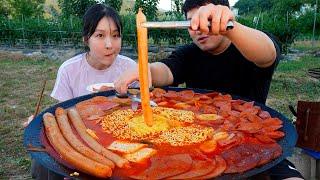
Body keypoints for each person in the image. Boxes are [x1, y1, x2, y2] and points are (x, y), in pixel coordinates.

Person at [114, 0, 304, 179]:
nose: (198, 29)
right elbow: (166, 70)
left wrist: (231, 27)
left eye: (206, 21)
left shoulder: (248, 45)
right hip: (197, 152)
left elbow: (267, 53)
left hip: (254, 148)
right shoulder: (190, 54)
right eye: (190, 23)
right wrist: (145, 70)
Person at [28, 4, 136, 179]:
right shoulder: (69, 70)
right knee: (45, 162)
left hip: (123, 135)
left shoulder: (130, 68)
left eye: (116, 35)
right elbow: (62, 116)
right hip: (80, 140)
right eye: (100, 35)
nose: (110, 44)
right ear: (86, 39)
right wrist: (42, 122)